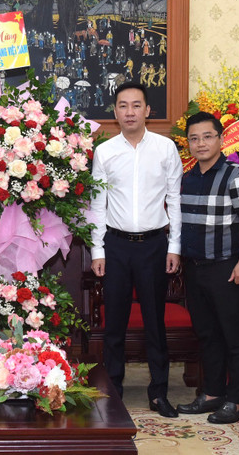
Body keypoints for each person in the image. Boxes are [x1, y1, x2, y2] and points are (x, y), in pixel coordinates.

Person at [89, 81, 182, 418]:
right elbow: (97, 205)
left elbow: (175, 200)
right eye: (123, 106)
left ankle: (159, 392)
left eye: (136, 105)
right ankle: (113, 389)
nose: (129, 112)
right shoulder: (105, 151)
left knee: (155, 323)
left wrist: (175, 246)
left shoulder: (165, 148)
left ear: (147, 110)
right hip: (115, 246)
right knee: (114, 323)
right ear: (115, 112)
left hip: (155, 246)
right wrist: (97, 250)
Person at [176, 112, 239, 424]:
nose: (201, 143)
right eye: (194, 138)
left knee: (234, 336)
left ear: (221, 139)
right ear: (189, 143)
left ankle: (237, 401)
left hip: (227, 267)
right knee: (207, 334)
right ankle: (212, 394)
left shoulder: (237, 175)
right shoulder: (188, 178)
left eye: (207, 136)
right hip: (195, 268)